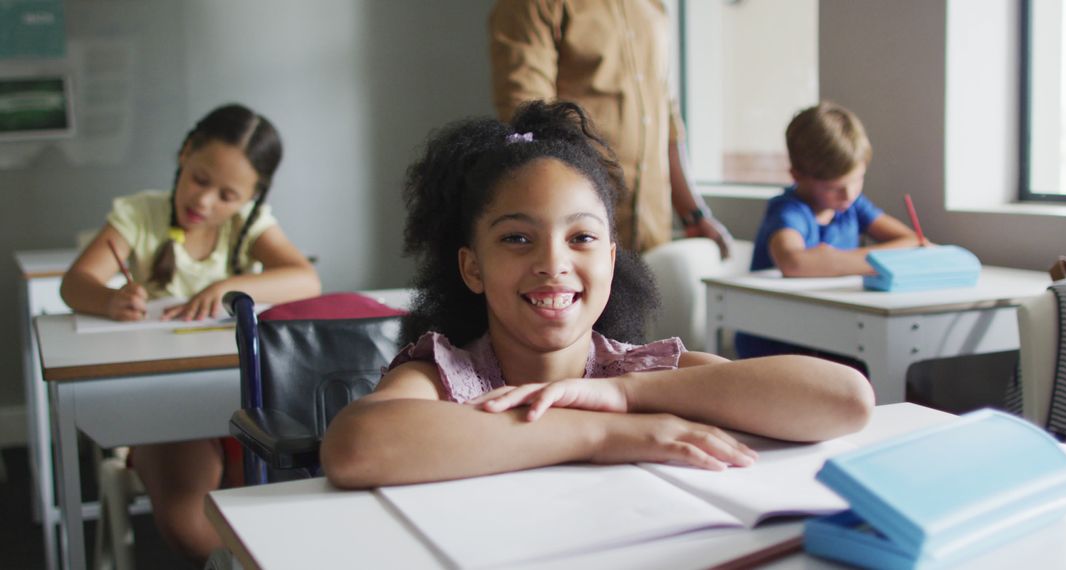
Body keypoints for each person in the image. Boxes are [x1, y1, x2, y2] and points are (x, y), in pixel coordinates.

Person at [320, 101, 874, 489]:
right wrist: (606, 433)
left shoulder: (639, 375)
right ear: (472, 267)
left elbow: (846, 400)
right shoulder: (443, 376)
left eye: (581, 238)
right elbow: (357, 446)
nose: (553, 263)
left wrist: (628, 399)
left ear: (610, 260)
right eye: (517, 238)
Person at [60, 103, 321, 563]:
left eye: (226, 195)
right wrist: (109, 300)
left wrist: (226, 286)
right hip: (164, 401)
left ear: (250, 197)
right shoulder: (140, 215)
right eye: (200, 180)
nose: (204, 202)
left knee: (277, 506)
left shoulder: (247, 225)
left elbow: (306, 279)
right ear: (184, 155)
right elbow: (74, 284)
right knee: (189, 523)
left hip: (242, 395)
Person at [488, 0, 734, 257]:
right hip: (579, 239)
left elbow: (666, 115)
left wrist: (693, 214)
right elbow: (529, 116)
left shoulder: (652, 7)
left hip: (651, 239)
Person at [736, 101, 923, 361]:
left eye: (857, 179)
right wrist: (877, 260)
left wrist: (831, 259)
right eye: (834, 187)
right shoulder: (788, 210)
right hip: (776, 349)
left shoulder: (853, 206)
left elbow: (912, 239)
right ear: (797, 176)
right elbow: (794, 262)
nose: (848, 194)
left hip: (830, 340)